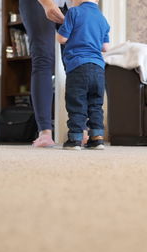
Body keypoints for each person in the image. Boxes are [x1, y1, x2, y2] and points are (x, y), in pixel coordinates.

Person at [56, 0, 110, 150]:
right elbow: (105, 47)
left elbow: (62, 39)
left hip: (78, 66)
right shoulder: (102, 18)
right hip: (99, 68)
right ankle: (97, 138)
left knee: (77, 103)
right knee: (95, 105)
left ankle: (75, 139)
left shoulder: (74, 12)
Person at [19, 0, 72, 148]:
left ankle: (81, 128)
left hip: (71, 4)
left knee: (77, 61)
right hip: (37, 3)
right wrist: (47, 4)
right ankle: (45, 132)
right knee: (42, 58)